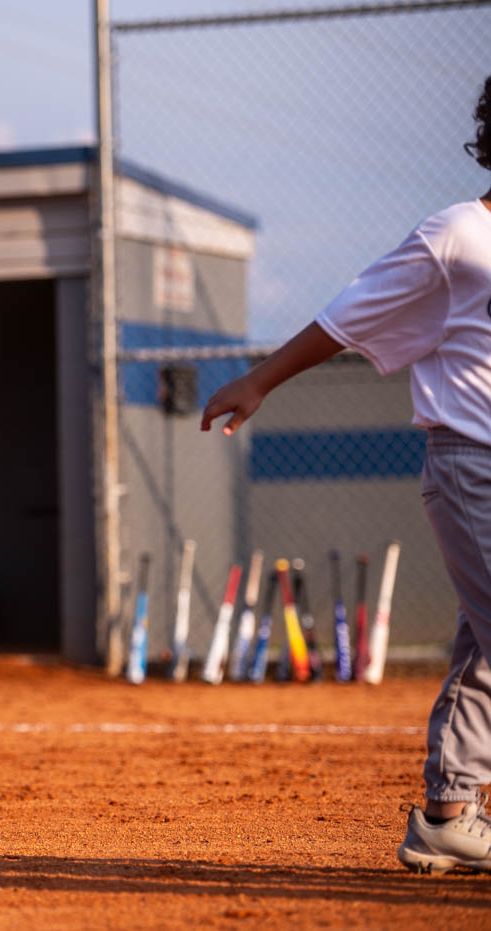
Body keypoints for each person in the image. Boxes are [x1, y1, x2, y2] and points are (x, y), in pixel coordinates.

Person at [200, 75, 491, 875]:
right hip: (473, 462)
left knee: (483, 644)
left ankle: (449, 814)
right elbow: (351, 311)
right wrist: (260, 378)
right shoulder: (460, 234)